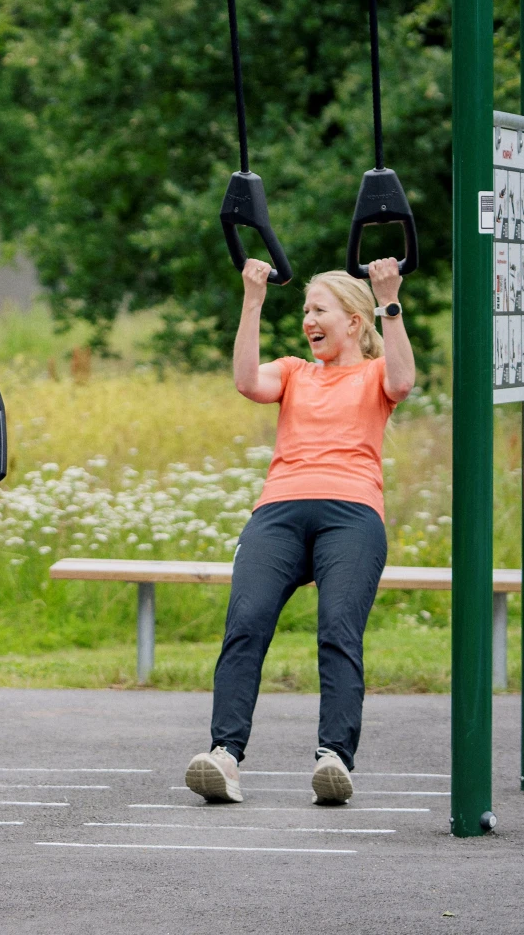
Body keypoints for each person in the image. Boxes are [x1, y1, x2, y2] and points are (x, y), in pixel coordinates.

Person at [185, 257, 414, 807]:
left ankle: (334, 758)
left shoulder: (373, 374)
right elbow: (245, 381)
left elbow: (403, 379)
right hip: (279, 512)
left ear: (354, 322)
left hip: (352, 514)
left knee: (338, 630)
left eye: (319, 310)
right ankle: (224, 756)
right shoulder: (292, 371)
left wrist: (390, 300)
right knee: (246, 622)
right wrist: (251, 299)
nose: (309, 320)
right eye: (305, 311)